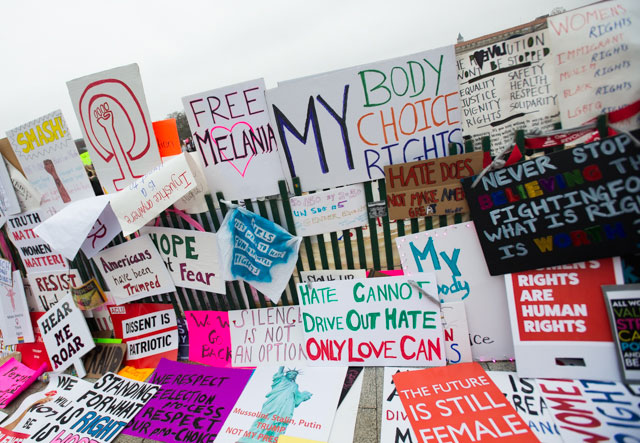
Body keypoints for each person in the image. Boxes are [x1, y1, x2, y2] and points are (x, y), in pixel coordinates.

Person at [238, 366, 312, 442]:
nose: (292, 375)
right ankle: (254, 438)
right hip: (275, 402)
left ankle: (272, 439)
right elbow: (279, 374)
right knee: (266, 418)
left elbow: (297, 398)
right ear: (286, 374)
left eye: (294, 375)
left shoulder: (295, 385)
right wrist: (281, 365)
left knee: (281, 421)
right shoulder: (282, 379)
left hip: (287, 405)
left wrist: (303, 397)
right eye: (291, 373)